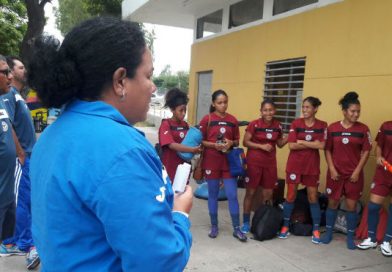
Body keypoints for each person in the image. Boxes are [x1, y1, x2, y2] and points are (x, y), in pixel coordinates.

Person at [27, 17, 193, 271]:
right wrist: (179, 215)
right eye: (148, 76)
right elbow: (159, 262)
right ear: (120, 81)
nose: (153, 88)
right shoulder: (124, 151)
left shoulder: (51, 136)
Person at [0, 56, 39, 270]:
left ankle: (16, 240)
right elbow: (8, 124)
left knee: (23, 199)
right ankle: (19, 242)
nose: (23, 71)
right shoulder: (8, 97)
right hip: (20, 159)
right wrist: (20, 152)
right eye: (20, 67)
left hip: (26, 156)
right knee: (20, 200)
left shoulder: (15, 95)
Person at [321, 92, 371, 249]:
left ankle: (350, 236)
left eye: (358, 111)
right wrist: (331, 168)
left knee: (351, 206)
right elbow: (327, 149)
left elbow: (366, 151)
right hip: (335, 174)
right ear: (344, 111)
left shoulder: (363, 129)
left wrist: (357, 171)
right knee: (333, 203)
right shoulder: (333, 128)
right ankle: (328, 233)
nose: (356, 114)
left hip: (353, 176)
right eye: (352, 111)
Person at [199, 89, 247, 242]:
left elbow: (237, 141)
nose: (223, 105)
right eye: (220, 102)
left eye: (225, 102)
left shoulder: (233, 120)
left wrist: (230, 143)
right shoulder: (206, 119)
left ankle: (236, 228)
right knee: (212, 194)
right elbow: (201, 141)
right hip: (211, 161)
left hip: (228, 163)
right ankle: (214, 226)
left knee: (232, 195)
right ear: (213, 103)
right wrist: (214, 145)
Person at [278, 97, 327, 244]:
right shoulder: (296, 123)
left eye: (308, 107)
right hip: (294, 165)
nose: (304, 110)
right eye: (303, 107)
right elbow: (291, 146)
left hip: (311, 167)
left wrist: (303, 142)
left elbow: (322, 145)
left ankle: (316, 229)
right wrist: (313, 143)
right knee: (291, 196)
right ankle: (285, 226)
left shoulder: (322, 125)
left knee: (313, 197)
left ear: (315, 109)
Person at [241, 99, 287, 233]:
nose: (268, 112)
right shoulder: (254, 124)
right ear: (261, 111)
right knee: (251, 192)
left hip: (270, 164)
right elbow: (245, 142)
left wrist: (290, 136)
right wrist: (261, 146)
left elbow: (279, 144)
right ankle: (245, 222)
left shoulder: (278, 125)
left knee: (268, 194)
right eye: (265, 110)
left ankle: (263, 220)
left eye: (271, 110)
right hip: (254, 163)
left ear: (275, 111)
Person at [357, 121, 392, 256]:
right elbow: (379, 146)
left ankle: (387, 241)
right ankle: (371, 239)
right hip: (384, 172)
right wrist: (378, 157)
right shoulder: (386, 126)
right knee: (373, 206)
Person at [159, 88, 201, 182]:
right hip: (169, 168)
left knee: (183, 193)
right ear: (172, 109)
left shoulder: (186, 125)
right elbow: (171, 145)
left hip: (184, 169)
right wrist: (192, 149)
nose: (183, 113)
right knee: (172, 195)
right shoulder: (166, 124)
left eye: (185, 110)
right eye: (180, 110)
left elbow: (193, 141)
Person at [0, 55, 17, 250]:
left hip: (6, 195)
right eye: (5, 72)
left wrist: (19, 153)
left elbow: (9, 127)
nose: (10, 77)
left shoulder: (3, 101)